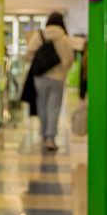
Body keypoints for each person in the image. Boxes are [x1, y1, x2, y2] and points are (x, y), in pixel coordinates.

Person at [24, 12, 76, 152]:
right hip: (58, 78)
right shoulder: (65, 39)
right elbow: (70, 60)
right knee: (54, 107)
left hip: (40, 76)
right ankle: (50, 138)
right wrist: (61, 70)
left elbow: (28, 54)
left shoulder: (39, 35)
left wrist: (40, 64)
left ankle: (43, 134)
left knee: (41, 105)